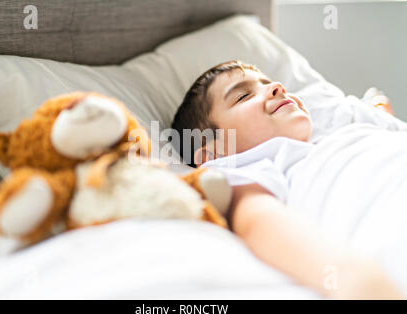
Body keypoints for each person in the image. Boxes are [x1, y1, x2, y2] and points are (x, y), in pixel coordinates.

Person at [171, 60, 406, 299]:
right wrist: (358, 283)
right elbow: (258, 224)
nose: (277, 87)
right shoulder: (250, 169)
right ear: (215, 153)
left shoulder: (337, 136)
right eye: (243, 96)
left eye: (267, 82)